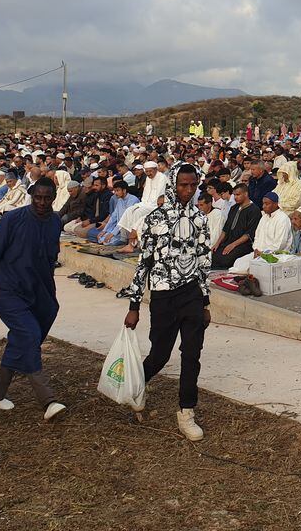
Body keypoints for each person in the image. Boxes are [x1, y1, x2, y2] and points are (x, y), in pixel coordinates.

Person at [0, 179, 67, 422]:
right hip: (8, 289)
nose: (42, 203)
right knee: (29, 333)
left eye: (47, 198)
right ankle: (48, 399)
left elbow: (50, 258)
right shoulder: (13, 220)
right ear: (32, 196)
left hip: (39, 289)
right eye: (38, 198)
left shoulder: (55, 221)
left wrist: (48, 291)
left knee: (25, 337)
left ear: (54, 198)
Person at [124, 164, 211, 441]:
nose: (188, 190)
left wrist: (205, 301)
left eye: (193, 185)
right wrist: (134, 305)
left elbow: (203, 262)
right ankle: (139, 385)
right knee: (160, 354)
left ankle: (186, 412)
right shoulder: (155, 218)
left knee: (191, 354)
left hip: (191, 294)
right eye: (183, 185)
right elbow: (144, 262)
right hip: (163, 294)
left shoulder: (200, 218)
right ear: (173, 184)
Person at [211, 184, 260, 270]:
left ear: (246, 194)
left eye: (238, 195)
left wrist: (233, 245)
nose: (235, 197)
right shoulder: (233, 208)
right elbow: (225, 229)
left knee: (226, 260)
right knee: (213, 255)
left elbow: (249, 234)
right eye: (234, 195)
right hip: (228, 241)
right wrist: (217, 243)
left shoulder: (254, 210)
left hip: (243, 244)